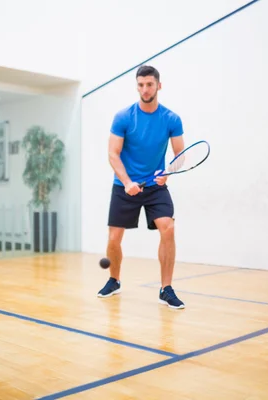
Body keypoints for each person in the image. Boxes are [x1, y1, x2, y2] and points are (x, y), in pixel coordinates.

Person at [98, 65, 186, 309]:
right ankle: (114, 280)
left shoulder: (171, 119)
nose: (145, 89)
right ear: (137, 86)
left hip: (155, 186)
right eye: (141, 84)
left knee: (167, 227)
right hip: (124, 185)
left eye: (149, 84)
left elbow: (180, 154)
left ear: (159, 85)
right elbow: (113, 154)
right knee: (114, 237)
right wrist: (127, 183)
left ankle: (166, 289)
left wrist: (167, 173)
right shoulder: (124, 117)